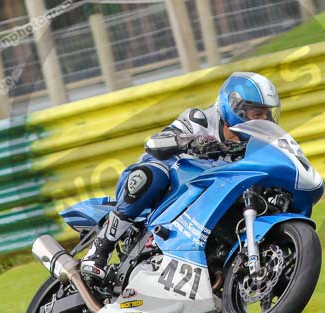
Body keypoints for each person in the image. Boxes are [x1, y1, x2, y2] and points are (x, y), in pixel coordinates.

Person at [80, 71, 281, 280]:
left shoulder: (258, 145)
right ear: (234, 108)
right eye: (257, 115)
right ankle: (99, 251)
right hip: (168, 190)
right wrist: (191, 142)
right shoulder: (201, 119)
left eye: (267, 115)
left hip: (205, 205)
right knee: (153, 174)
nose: (264, 120)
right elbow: (154, 143)